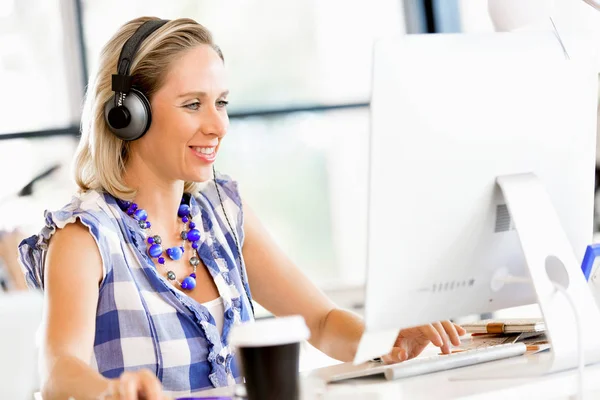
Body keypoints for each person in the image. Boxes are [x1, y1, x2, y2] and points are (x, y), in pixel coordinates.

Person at [18, 16, 466, 400]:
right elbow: (59, 368)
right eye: (193, 104)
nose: (218, 125)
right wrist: (107, 391)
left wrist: (386, 338)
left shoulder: (222, 214)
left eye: (222, 103)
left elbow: (322, 321)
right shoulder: (85, 236)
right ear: (128, 114)